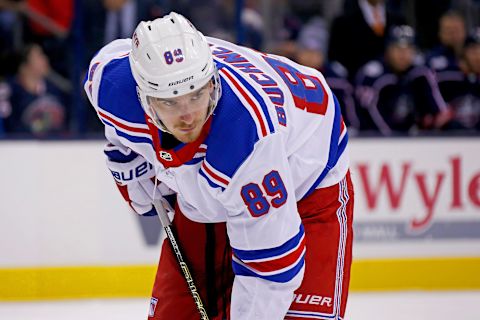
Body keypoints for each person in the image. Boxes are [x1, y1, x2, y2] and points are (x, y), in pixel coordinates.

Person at [84, 12, 354, 320]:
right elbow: (117, 130)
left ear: (212, 83)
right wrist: (130, 162)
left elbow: (270, 276)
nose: (188, 116)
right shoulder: (110, 84)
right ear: (144, 98)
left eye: (196, 95)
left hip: (307, 179)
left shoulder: (247, 138)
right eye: (170, 102)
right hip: (214, 189)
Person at [354, 25, 452, 135]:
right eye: (397, 48)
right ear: (388, 49)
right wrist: (394, 139)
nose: (403, 54)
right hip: (374, 142)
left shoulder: (420, 72)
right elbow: (368, 117)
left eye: (408, 49)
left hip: (411, 139)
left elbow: (442, 114)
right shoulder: (373, 76)